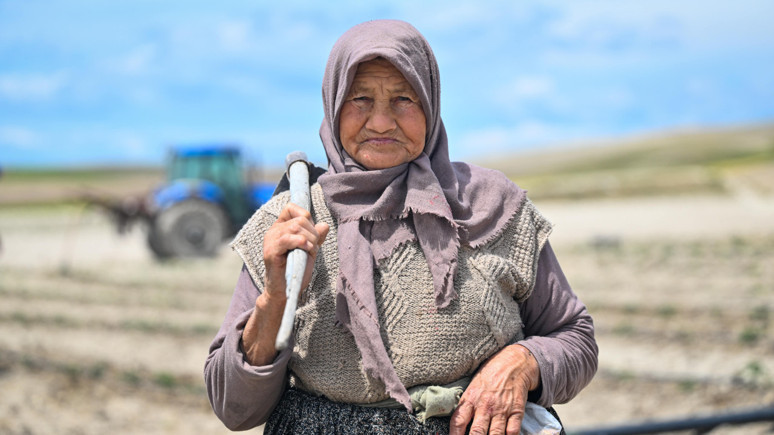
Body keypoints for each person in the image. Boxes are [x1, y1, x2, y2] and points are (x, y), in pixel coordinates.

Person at [205, 19, 597, 434]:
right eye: (360, 99)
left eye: (402, 99)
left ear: (430, 103)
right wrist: (275, 300)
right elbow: (235, 408)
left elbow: (575, 339)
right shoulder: (292, 223)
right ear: (333, 104)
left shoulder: (492, 207)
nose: (380, 122)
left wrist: (523, 363)